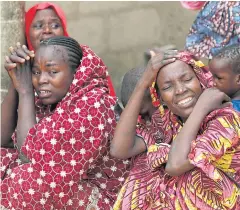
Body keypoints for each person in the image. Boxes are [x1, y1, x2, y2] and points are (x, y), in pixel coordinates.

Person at [1, 36, 130, 209]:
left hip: (107, 198)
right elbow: (4, 141)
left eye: (52, 72)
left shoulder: (92, 105)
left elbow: (29, 157)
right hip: (68, 188)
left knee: (28, 180)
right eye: (36, 72)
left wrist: (25, 92)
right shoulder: (52, 100)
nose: (41, 80)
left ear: (77, 73)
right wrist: (16, 83)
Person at [111, 51, 240, 209]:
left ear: (200, 80)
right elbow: (120, 149)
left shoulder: (226, 119)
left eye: (187, 79)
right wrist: (143, 83)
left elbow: (175, 165)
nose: (180, 90)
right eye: (167, 87)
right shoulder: (168, 121)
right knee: (144, 163)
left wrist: (201, 108)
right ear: (160, 98)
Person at [1, 2, 116, 148]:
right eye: (38, 26)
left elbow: (31, 155)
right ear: (27, 33)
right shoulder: (26, 71)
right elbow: (2, 139)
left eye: (55, 25)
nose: (47, 30)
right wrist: (17, 77)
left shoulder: (83, 69)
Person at [208, 44, 240, 111]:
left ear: (238, 79)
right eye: (212, 76)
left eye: (219, 78)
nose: (213, 83)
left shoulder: (230, 110)